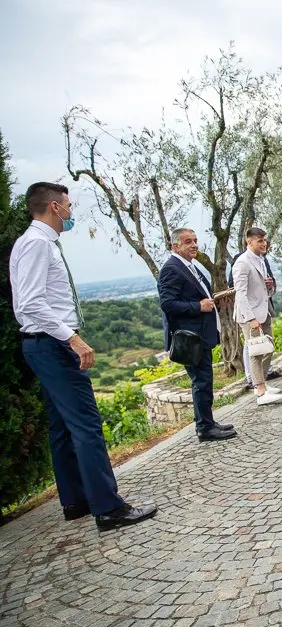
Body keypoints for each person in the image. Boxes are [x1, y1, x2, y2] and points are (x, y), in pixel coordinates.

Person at [11, 182, 157, 530]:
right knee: (87, 426)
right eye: (68, 205)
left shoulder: (39, 243)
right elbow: (31, 303)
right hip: (51, 344)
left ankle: (75, 501)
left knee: (61, 426)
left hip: (44, 344)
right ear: (53, 208)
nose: (71, 212)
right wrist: (72, 338)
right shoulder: (35, 244)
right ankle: (108, 508)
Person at [158, 228, 236, 444]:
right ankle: (204, 428)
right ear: (175, 246)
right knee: (201, 381)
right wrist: (198, 306)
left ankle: (208, 422)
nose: (194, 245)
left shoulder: (189, 266)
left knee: (205, 379)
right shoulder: (171, 269)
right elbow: (167, 303)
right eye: (187, 242)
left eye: (195, 240)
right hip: (190, 338)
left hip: (201, 335)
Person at [232, 227, 282, 407]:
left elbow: (263, 289)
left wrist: (269, 286)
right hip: (250, 315)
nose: (264, 244)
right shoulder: (242, 263)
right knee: (256, 352)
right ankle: (260, 391)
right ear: (249, 242)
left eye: (264, 240)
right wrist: (251, 319)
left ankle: (262, 384)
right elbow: (240, 294)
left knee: (268, 347)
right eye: (260, 241)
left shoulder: (261, 260)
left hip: (264, 310)